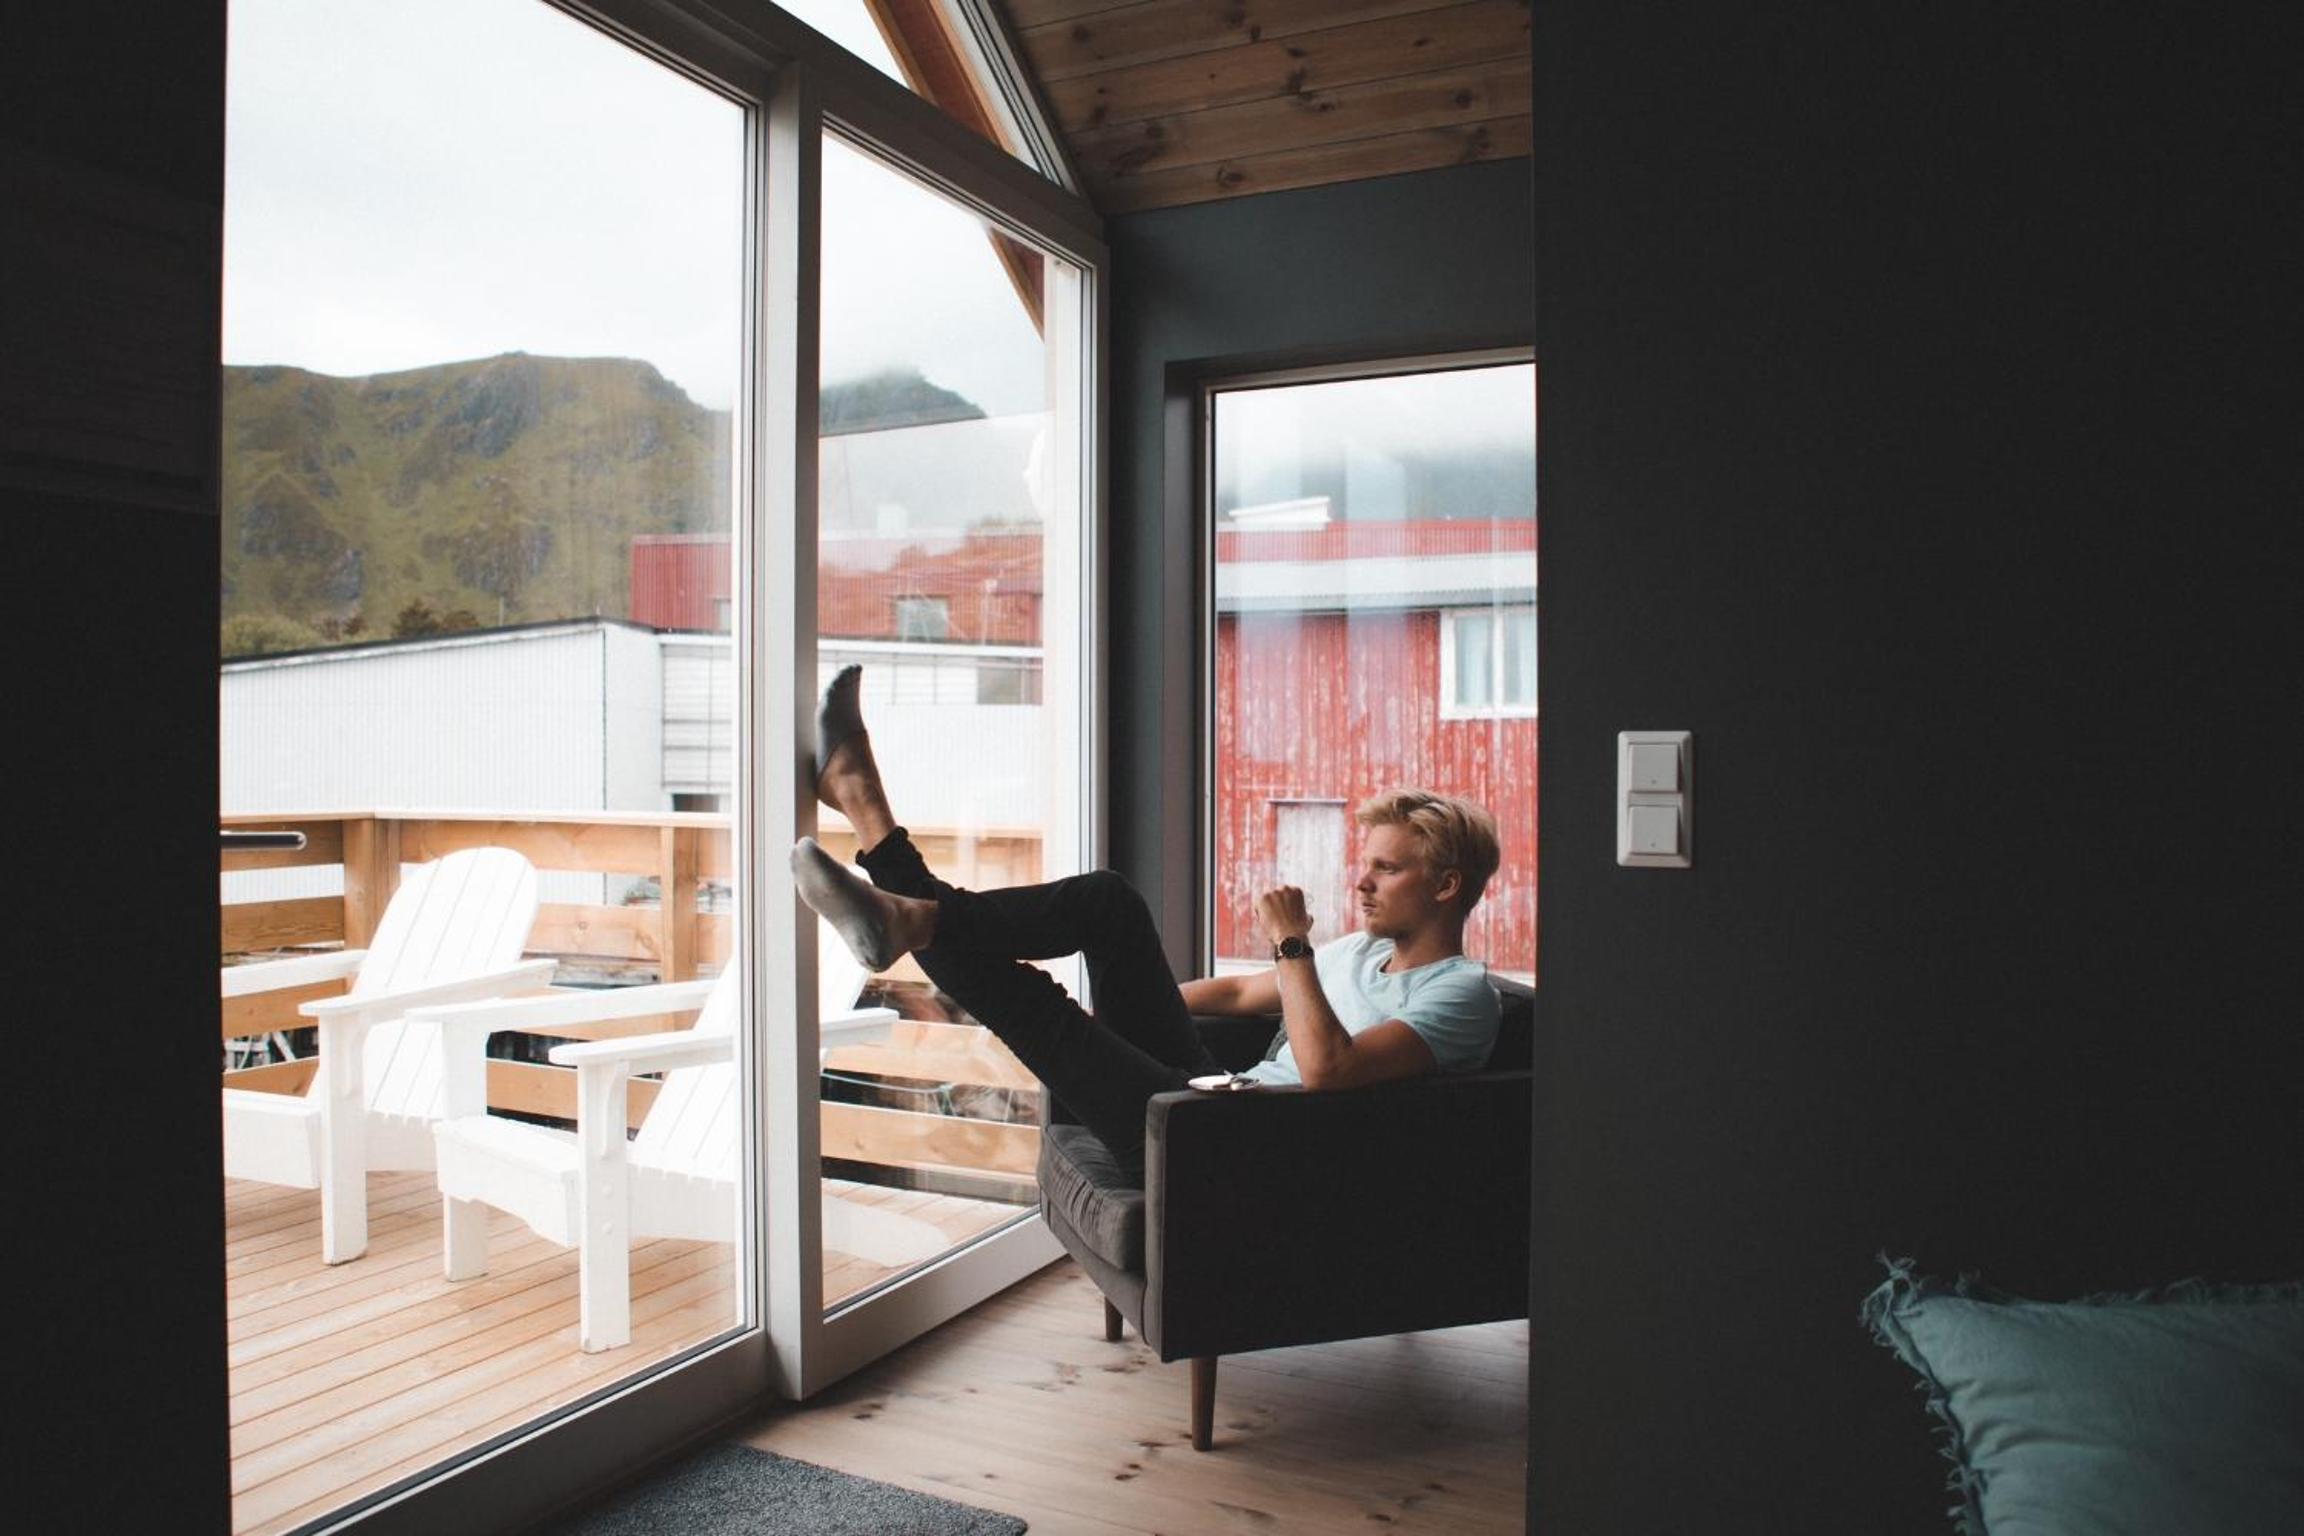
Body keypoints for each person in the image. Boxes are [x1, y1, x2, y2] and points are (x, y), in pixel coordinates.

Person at [792, 665, 1502, 1173]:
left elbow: (1328, 1069)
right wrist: (1113, 1025)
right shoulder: (1360, 953)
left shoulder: (1461, 995)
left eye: (1387, 869)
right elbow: (1233, 993)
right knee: (1109, 902)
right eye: (1367, 863)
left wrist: (1292, 943)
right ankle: (898, 884)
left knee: (1033, 1001)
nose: (1361, 882)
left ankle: (868, 814)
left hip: (1237, 1150)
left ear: (1446, 886)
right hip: (1211, 1094)